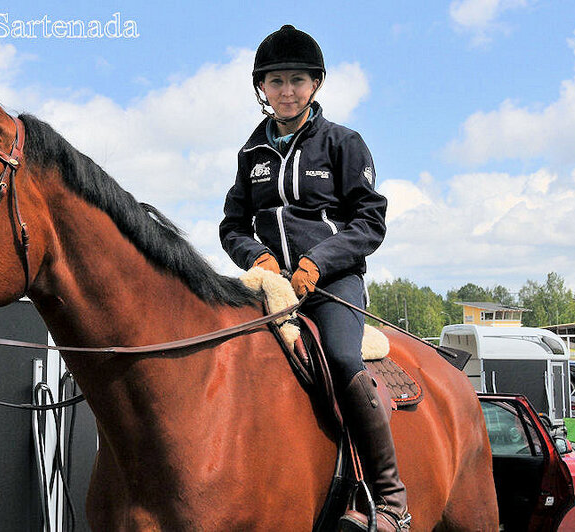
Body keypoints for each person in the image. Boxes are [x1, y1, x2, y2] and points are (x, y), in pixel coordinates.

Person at [219, 25, 411, 532]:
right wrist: (255, 257)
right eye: (276, 81)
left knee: (343, 356)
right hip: (270, 283)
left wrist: (317, 263)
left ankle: (389, 498)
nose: (286, 91)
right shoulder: (250, 153)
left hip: (332, 283)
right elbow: (231, 225)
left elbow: (369, 222)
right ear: (262, 87)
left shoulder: (344, 143)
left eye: (296, 81)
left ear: (316, 85)